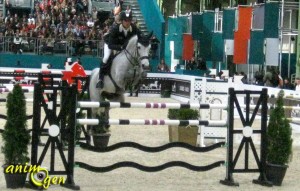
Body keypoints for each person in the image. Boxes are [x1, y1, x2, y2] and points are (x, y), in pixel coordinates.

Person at [96, 11, 141, 88]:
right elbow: (110, 45)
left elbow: (141, 36)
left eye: (129, 20)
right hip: (111, 44)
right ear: (122, 21)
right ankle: (100, 79)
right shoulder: (115, 29)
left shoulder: (134, 28)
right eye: (125, 20)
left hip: (123, 47)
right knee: (106, 57)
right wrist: (120, 48)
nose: (127, 22)